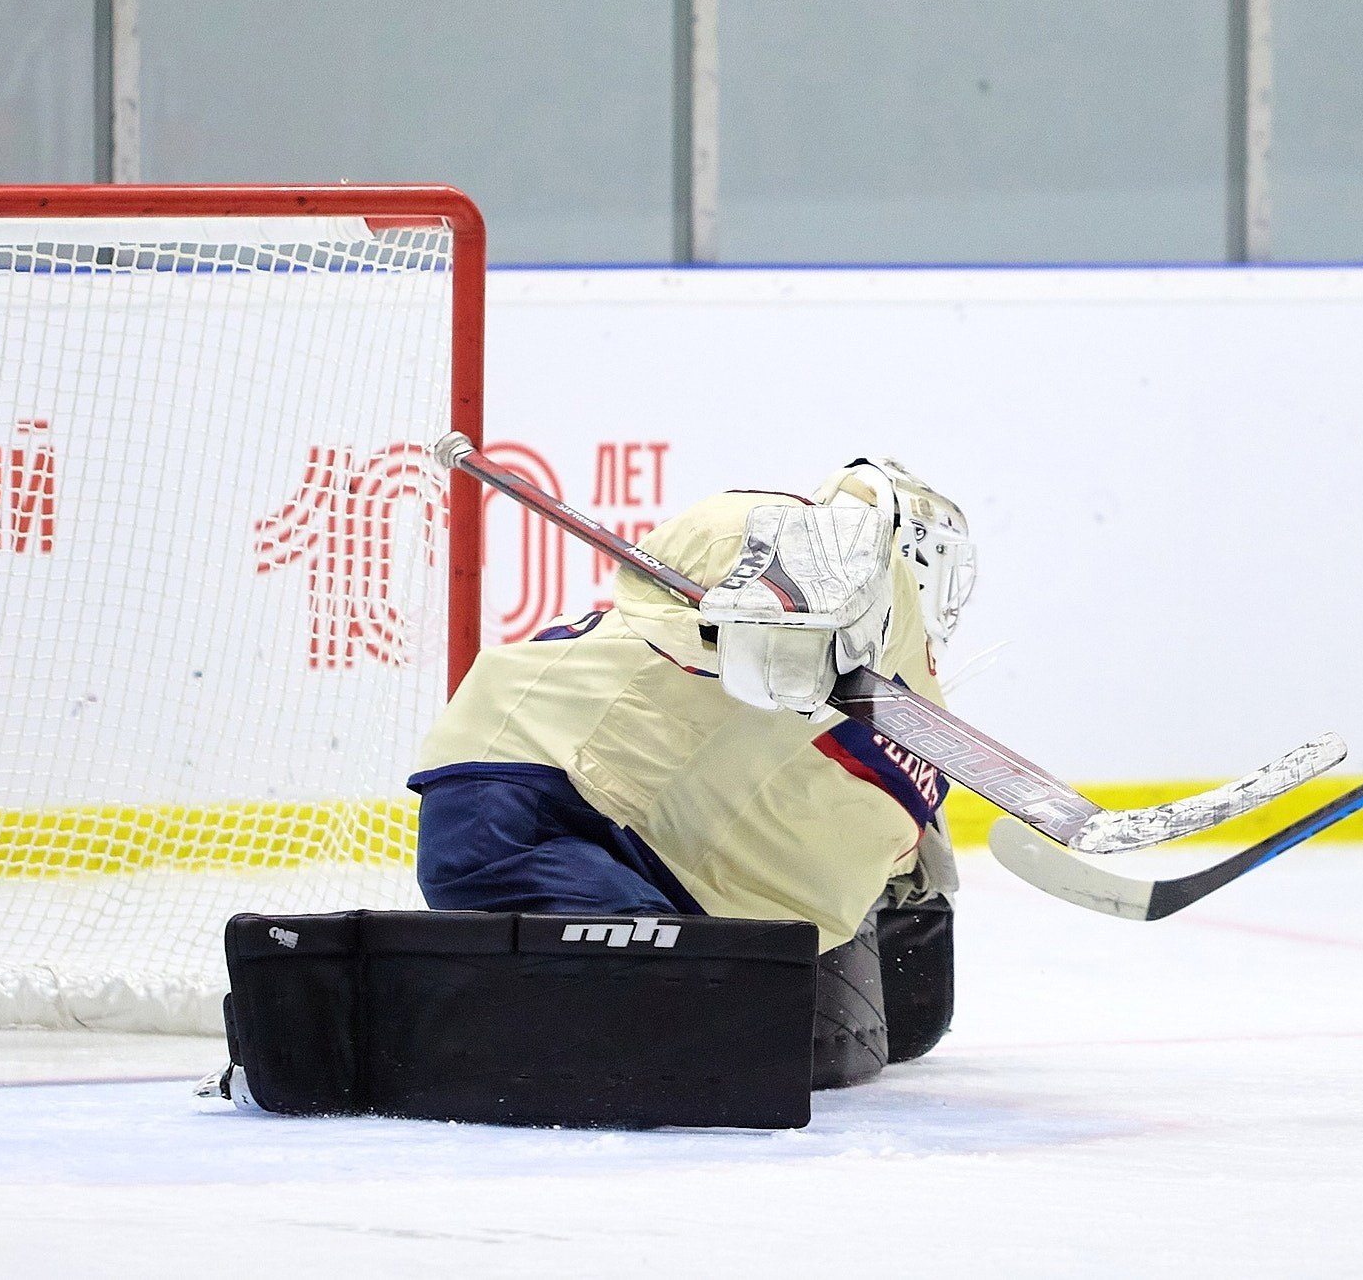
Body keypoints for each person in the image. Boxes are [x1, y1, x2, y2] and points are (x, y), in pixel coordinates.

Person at [410, 457, 977, 1084]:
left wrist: (914, 865)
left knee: (828, 1050)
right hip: (533, 800)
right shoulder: (772, 575)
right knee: (668, 1040)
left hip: (667, 852)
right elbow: (717, 533)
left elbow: (910, 1007)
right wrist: (806, 567)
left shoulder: (911, 704)